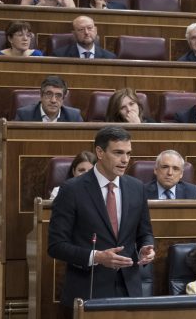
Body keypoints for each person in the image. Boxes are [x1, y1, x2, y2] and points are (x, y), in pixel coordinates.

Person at [47, 126, 155, 308]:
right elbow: (56, 246)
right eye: (118, 153)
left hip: (129, 289)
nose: (125, 160)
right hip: (88, 289)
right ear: (100, 152)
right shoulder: (72, 190)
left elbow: (145, 232)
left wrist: (147, 247)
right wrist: (96, 257)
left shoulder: (137, 187)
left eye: (128, 153)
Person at [15, 75, 83, 122]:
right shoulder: (24, 115)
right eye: (49, 94)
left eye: (58, 95)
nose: (53, 100)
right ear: (41, 95)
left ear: (63, 99)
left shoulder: (74, 117)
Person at [52, 15, 117, 59]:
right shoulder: (60, 56)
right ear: (74, 34)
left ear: (96, 30)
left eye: (89, 28)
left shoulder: (109, 58)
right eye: (81, 29)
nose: (86, 32)